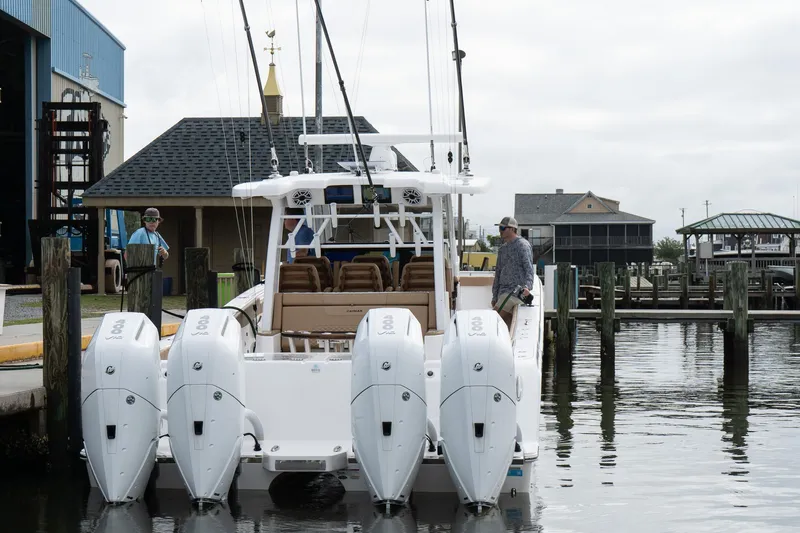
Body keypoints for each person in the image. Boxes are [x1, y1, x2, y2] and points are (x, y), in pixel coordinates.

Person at [491, 216, 534, 329]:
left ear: (511, 229)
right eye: (499, 228)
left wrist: (527, 287)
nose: (500, 231)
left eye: (502, 228)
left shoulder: (522, 245)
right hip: (503, 293)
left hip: (514, 292)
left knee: (494, 318)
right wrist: (494, 296)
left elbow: (529, 268)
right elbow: (498, 272)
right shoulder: (502, 249)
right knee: (506, 325)